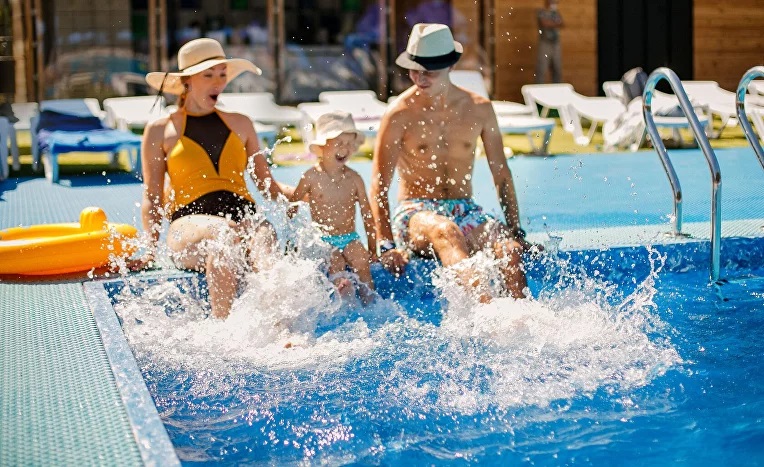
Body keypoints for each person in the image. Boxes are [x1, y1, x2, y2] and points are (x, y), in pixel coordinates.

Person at [370, 23, 536, 300]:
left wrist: (516, 230)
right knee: (446, 231)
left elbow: (501, 175)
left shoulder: (479, 108)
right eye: (414, 70)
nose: (419, 78)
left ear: (450, 66)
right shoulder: (399, 113)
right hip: (415, 212)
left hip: (465, 208)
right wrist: (386, 245)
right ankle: (487, 312)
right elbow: (378, 185)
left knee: (509, 249)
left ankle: (523, 317)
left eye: (428, 72)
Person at [137, 37, 284, 319]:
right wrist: (149, 250)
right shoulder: (160, 130)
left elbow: (266, 183)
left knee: (265, 239)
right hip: (188, 224)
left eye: (222, 74)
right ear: (187, 81)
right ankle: (223, 330)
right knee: (224, 233)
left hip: (244, 217)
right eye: (208, 75)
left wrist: (306, 191)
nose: (218, 82)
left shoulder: (241, 123)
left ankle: (282, 332)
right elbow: (152, 195)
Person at [290, 111, 377, 300]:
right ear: (322, 146)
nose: (345, 148)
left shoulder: (354, 179)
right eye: (339, 142)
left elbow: (367, 215)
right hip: (324, 240)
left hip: (350, 236)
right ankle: (343, 298)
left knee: (361, 260)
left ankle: (370, 302)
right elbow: (292, 206)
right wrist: (293, 244)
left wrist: (373, 249)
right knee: (335, 262)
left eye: (349, 143)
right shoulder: (311, 177)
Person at [535, 0, 564, 84]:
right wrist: (555, 23)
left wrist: (552, 23)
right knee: (541, 68)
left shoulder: (556, 13)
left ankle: (557, 89)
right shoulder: (541, 12)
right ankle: (539, 89)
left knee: (557, 68)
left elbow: (562, 23)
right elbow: (544, 23)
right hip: (545, 43)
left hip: (555, 44)